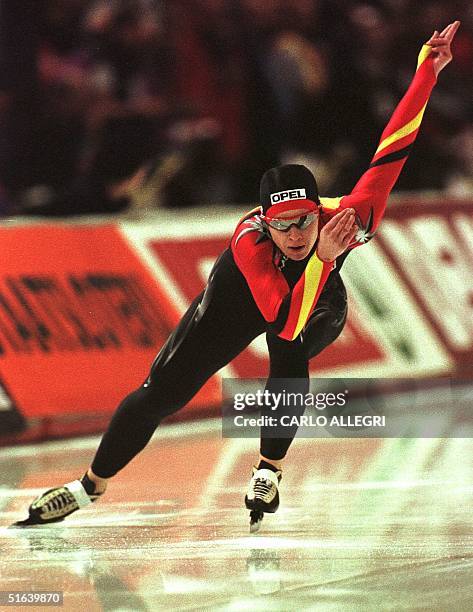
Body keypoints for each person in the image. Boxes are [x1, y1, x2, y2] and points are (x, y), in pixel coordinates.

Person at [13, 22, 460, 531]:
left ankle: (268, 470)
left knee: (290, 355)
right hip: (241, 299)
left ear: (321, 210)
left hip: (315, 296)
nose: (294, 234)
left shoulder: (349, 216)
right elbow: (279, 315)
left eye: (304, 222)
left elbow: (393, 147)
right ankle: (88, 485)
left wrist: (428, 68)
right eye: (283, 227)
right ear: (265, 223)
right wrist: (320, 258)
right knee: (161, 394)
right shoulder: (250, 241)